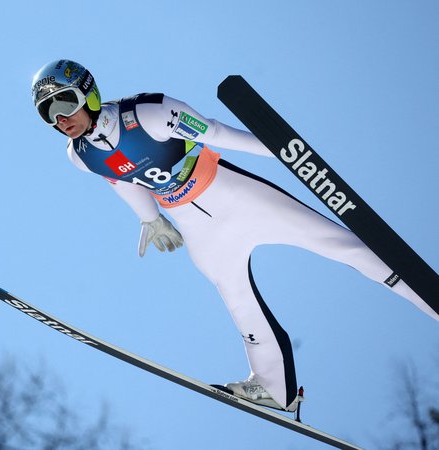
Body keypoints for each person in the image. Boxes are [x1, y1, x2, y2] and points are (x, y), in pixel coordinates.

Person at [30, 59, 439, 412]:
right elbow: (121, 179)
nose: (60, 119)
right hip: (195, 225)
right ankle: (274, 387)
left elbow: (216, 133)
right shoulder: (80, 157)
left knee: (339, 245)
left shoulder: (149, 112)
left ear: (88, 94)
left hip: (233, 195)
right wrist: (149, 219)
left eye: (63, 103)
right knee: (236, 297)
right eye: (48, 114)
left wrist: (282, 151)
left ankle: (428, 298)